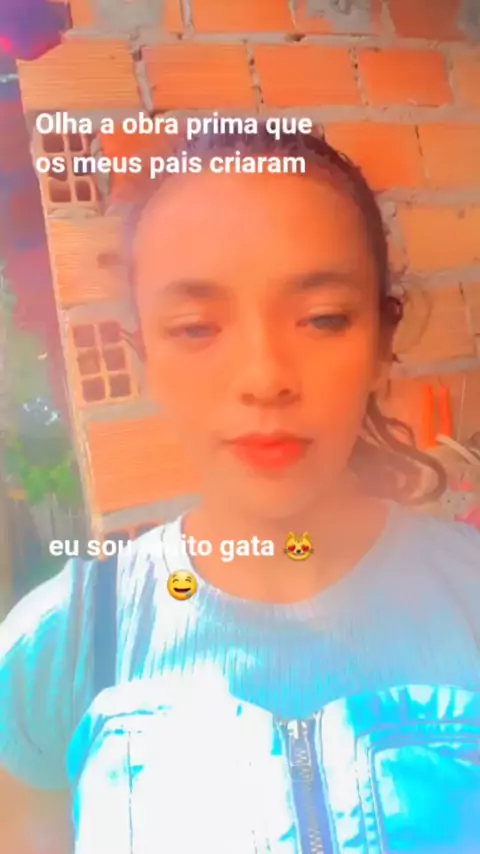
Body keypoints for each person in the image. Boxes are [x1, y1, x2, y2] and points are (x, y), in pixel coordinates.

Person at [1, 125, 479, 854]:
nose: (264, 377)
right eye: (196, 328)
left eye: (323, 318)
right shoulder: (57, 647)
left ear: (383, 343)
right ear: (144, 358)